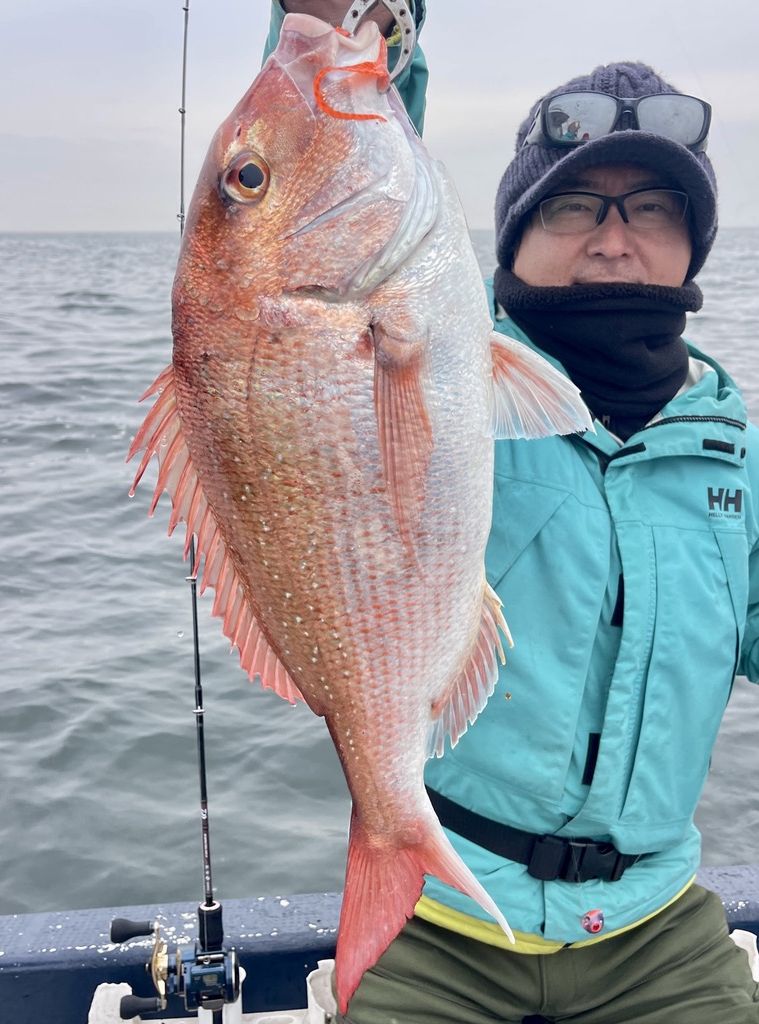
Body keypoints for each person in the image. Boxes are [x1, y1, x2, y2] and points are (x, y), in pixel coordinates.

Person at [267, 3, 759, 1021]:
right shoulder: (431, 369)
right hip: (440, 909)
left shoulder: (734, 448)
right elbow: (335, 186)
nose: (614, 241)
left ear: (692, 244)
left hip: (654, 924)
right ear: (514, 233)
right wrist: (337, 31)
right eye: (575, 206)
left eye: (652, 209)